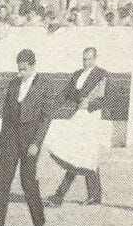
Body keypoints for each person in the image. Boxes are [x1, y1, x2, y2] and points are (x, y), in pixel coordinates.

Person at [0, 49, 53, 226]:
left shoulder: (44, 85)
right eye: (19, 69)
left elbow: (46, 118)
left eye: (24, 69)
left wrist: (36, 142)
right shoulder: (13, 83)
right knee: (3, 182)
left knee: (27, 182)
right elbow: (6, 116)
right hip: (11, 138)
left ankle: (39, 221)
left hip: (31, 139)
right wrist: (0, 142)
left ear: (33, 66)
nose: (21, 73)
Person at [45, 47, 109, 207]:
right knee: (83, 155)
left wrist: (91, 103)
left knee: (80, 154)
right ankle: (94, 195)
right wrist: (50, 109)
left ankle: (59, 196)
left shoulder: (101, 74)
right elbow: (65, 94)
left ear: (95, 58)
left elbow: (108, 99)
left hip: (92, 117)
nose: (86, 62)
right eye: (84, 59)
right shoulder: (77, 75)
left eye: (89, 59)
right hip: (79, 116)